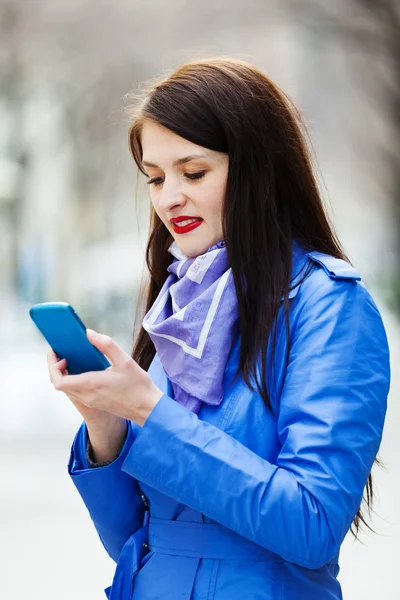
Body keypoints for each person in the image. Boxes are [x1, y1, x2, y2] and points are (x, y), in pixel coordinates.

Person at [47, 58, 391, 600]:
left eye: (194, 172)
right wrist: (106, 429)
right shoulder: (178, 306)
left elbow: (313, 524)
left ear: (259, 169)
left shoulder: (329, 308)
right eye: (156, 178)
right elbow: (137, 541)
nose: (168, 198)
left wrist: (151, 413)